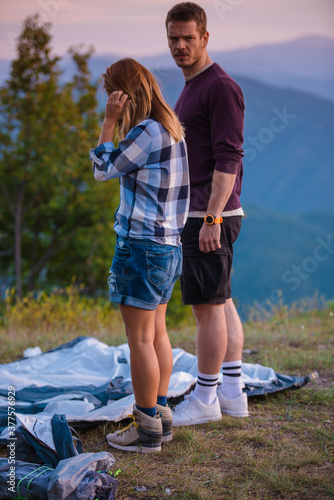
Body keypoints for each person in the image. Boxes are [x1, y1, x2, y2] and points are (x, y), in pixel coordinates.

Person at [89, 58, 189, 451]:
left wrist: (109, 121)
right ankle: (160, 416)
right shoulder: (172, 128)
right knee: (157, 334)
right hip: (168, 247)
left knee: (140, 341)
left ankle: (145, 427)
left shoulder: (146, 131)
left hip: (141, 247)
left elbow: (103, 169)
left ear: (122, 94)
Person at [165, 2, 249, 426]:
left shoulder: (219, 86)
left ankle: (204, 400)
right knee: (221, 300)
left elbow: (228, 156)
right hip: (206, 213)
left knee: (206, 309)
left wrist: (212, 218)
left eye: (188, 38)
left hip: (207, 214)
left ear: (205, 38)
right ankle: (232, 394)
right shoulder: (194, 84)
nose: (180, 45)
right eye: (174, 38)